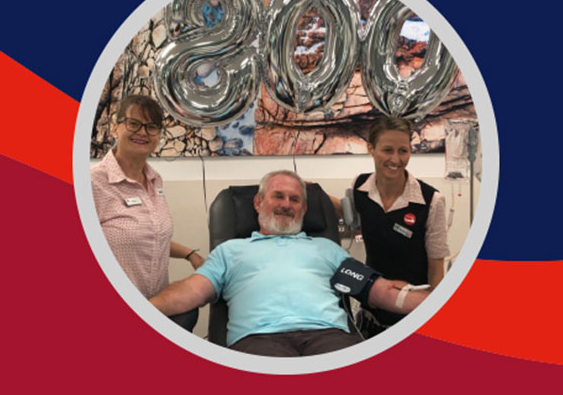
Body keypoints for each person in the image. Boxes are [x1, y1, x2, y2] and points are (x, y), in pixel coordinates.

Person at [149, 170, 430, 357]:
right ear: (258, 202)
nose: (286, 204)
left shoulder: (325, 249)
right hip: (260, 340)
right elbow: (191, 290)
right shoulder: (231, 251)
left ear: (304, 209)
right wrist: (145, 311)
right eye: (278, 196)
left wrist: (436, 306)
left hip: (329, 337)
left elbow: (376, 289)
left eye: (295, 199)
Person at [91, 95, 204, 301]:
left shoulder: (154, 180)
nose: (142, 132)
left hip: (156, 305)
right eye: (134, 124)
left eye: (151, 127)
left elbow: (151, 237)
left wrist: (190, 254)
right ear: (115, 128)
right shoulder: (92, 183)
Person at [345, 116, 449, 337]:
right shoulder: (360, 187)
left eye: (403, 151)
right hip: (370, 315)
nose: (396, 159)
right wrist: (305, 191)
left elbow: (436, 270)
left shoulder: (431, 200)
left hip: (413, 317)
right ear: (371, 149)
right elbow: (347, 212)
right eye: (387, 150)